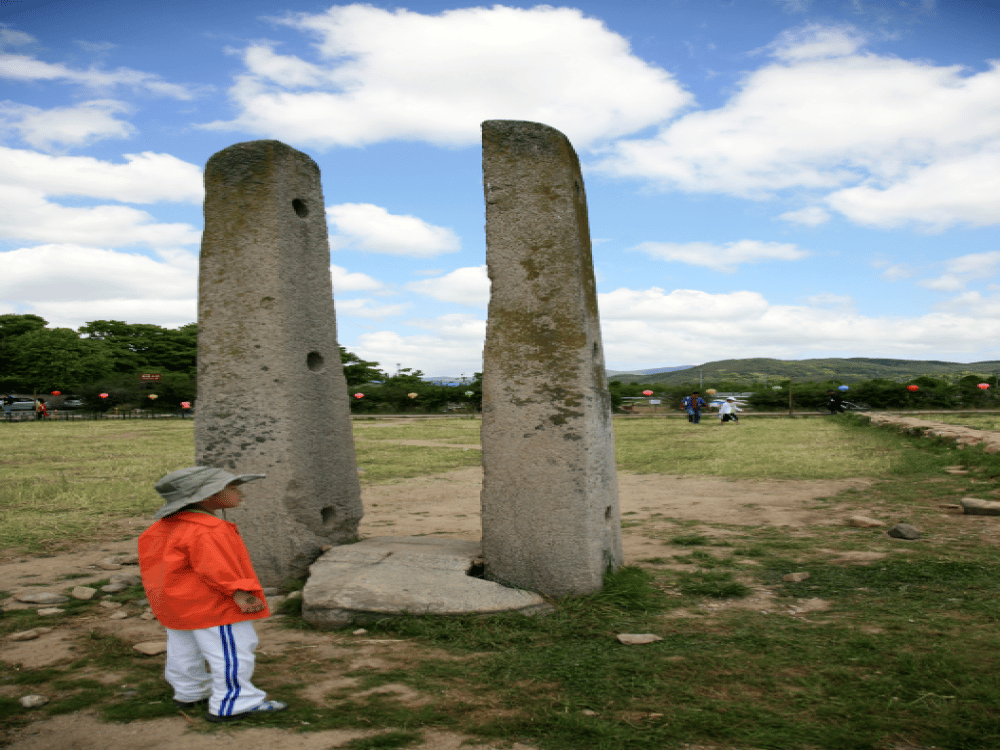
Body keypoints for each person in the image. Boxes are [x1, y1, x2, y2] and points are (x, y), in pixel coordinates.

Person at [138, 466, 288, 723]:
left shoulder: (160, 528)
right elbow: (217, 567)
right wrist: (240, 592)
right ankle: (235, 702)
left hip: (176, 603)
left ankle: (190, 691)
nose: (239, 492)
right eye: (232, 487)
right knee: (232, 651)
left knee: (184, 650)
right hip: (212, 604)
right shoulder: (208, 528)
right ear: (208, 495)